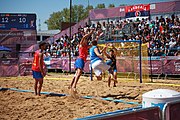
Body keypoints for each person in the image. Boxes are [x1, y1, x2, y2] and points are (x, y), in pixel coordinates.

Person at [70, 29, 94, 98]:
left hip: (81, 60)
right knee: (79, 73)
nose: (86, 41)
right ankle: (74, 86)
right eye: (85, 41)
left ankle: (71, 85)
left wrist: (96, 37)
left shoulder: (86, 46)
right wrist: (90, 33)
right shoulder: (81, 45)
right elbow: (84, 38)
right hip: (80, 59)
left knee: (77, 74)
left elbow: (93, 45)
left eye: (86, 41)